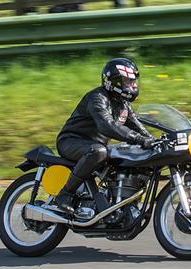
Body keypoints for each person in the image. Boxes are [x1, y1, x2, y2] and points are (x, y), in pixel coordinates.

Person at [53, 58, 154, 216]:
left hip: (95, 147)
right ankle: (64, 194)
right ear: (115, 82)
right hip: (71, 141)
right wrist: (138, 138)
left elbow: (139, 128)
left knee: (126, 156)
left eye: (134, 81)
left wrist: (154, 142)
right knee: (99, 151)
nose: (134, 85)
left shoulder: (123, 105)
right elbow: (106, 125)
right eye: (128, 81)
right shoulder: (98, 98)